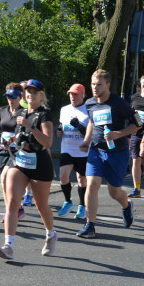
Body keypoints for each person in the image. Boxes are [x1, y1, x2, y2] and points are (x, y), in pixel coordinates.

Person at [0, 80, 56, 260]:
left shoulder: (45, 115)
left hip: (40, 164)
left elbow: (48, 142)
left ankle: (51, 234)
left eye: (34, 92)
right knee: (13, 202)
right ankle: (8, 246)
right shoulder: (21, 112)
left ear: (41, 96)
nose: (30, 95)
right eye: (28, 92)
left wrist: (31, 126)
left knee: (41, 205)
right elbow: (19, 135)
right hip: (20, 162)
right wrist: (9, 141)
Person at [77, 69, 141, 238]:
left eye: (99, 84)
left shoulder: (119, 103)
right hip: (96, 151)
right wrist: (86, 140)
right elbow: (91, 121)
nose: (95, 87)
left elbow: (137, 124)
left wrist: (118, 134)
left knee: (114, 192)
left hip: (117, 152)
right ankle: (90, 225)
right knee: (91, 184)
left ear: (107, 85)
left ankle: (126, 206)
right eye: (93, 84)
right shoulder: (90, 103)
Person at [0, 82, 27, 222]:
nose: (10, 99)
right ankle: (15, 208)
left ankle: (12, 210)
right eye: (8, 97)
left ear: (19, 97)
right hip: (2, 150)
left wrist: (12, 140)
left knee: (5, 177)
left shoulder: (23, 113)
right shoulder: (2, 110)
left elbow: (24, 132)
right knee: (5, 182)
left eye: (13, 97)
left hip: (16, 151)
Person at [56, 83, 89, 218]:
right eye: (71, 94)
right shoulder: (64, 109)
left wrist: (80, 127)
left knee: (82, 180)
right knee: (63, 176)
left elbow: (91, 133)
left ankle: (82, 205)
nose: (72, 97)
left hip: (83, 151)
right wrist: (59, 129)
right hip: (67, 149)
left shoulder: (88, 110)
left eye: (75, 94)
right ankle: (68, 201)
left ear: (83, 95)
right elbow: (62, 124)